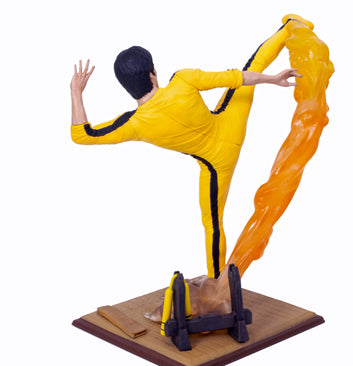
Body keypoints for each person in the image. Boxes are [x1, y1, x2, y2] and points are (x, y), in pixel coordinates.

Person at [70, 14, 312, 279]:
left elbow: (83, 135)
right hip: (231, 123)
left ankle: (217, 281)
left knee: (212, 224)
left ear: (126, 87)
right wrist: (273, 79)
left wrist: (76, 92)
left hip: (217, 164)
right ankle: (290, 25)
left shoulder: (134, 124)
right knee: (252, 65)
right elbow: (238, 77)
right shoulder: (183, 79)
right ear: (153, 73)